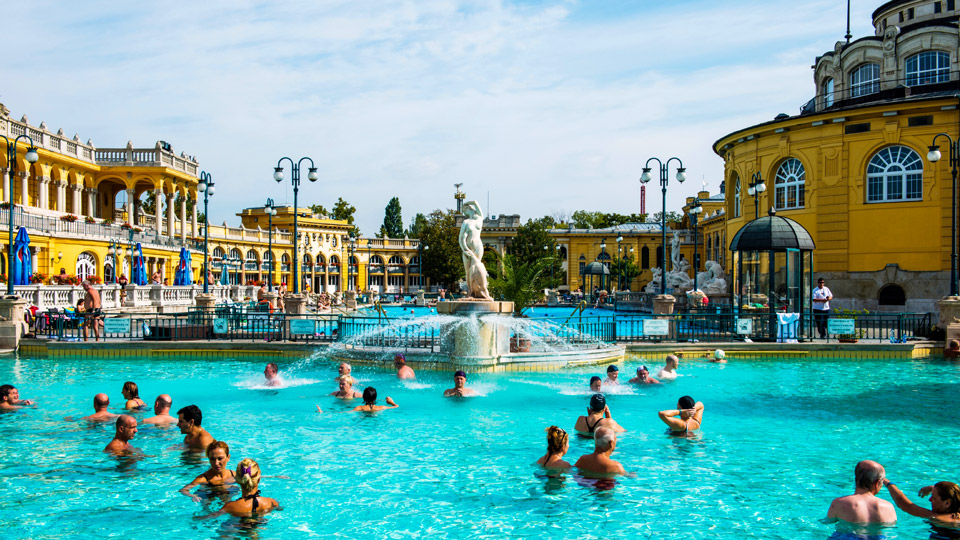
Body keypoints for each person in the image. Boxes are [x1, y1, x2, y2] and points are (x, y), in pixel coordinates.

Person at [203, 459, 279, 518]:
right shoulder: (271, 502)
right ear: (259, 479)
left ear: (237, 480)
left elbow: (211, 517)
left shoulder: (230, 507)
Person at [826, 460, 897, 524]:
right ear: (877, 483)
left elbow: (828, 522)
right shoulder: (888, 507)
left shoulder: (839, 503)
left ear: (856, 478)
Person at [883, 479, 960, 524]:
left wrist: (887, 482)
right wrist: (932, 488)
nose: (930, 500)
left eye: (934, 498)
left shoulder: (938, 518)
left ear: (947, 503)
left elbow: (904, 504)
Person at [318, 387, 398, 413]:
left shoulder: (360, 408)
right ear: (375, 398)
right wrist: (391, 402)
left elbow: (344, 413)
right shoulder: (381, 407)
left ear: (364, 397)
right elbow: (396, 406)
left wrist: (323, 412)